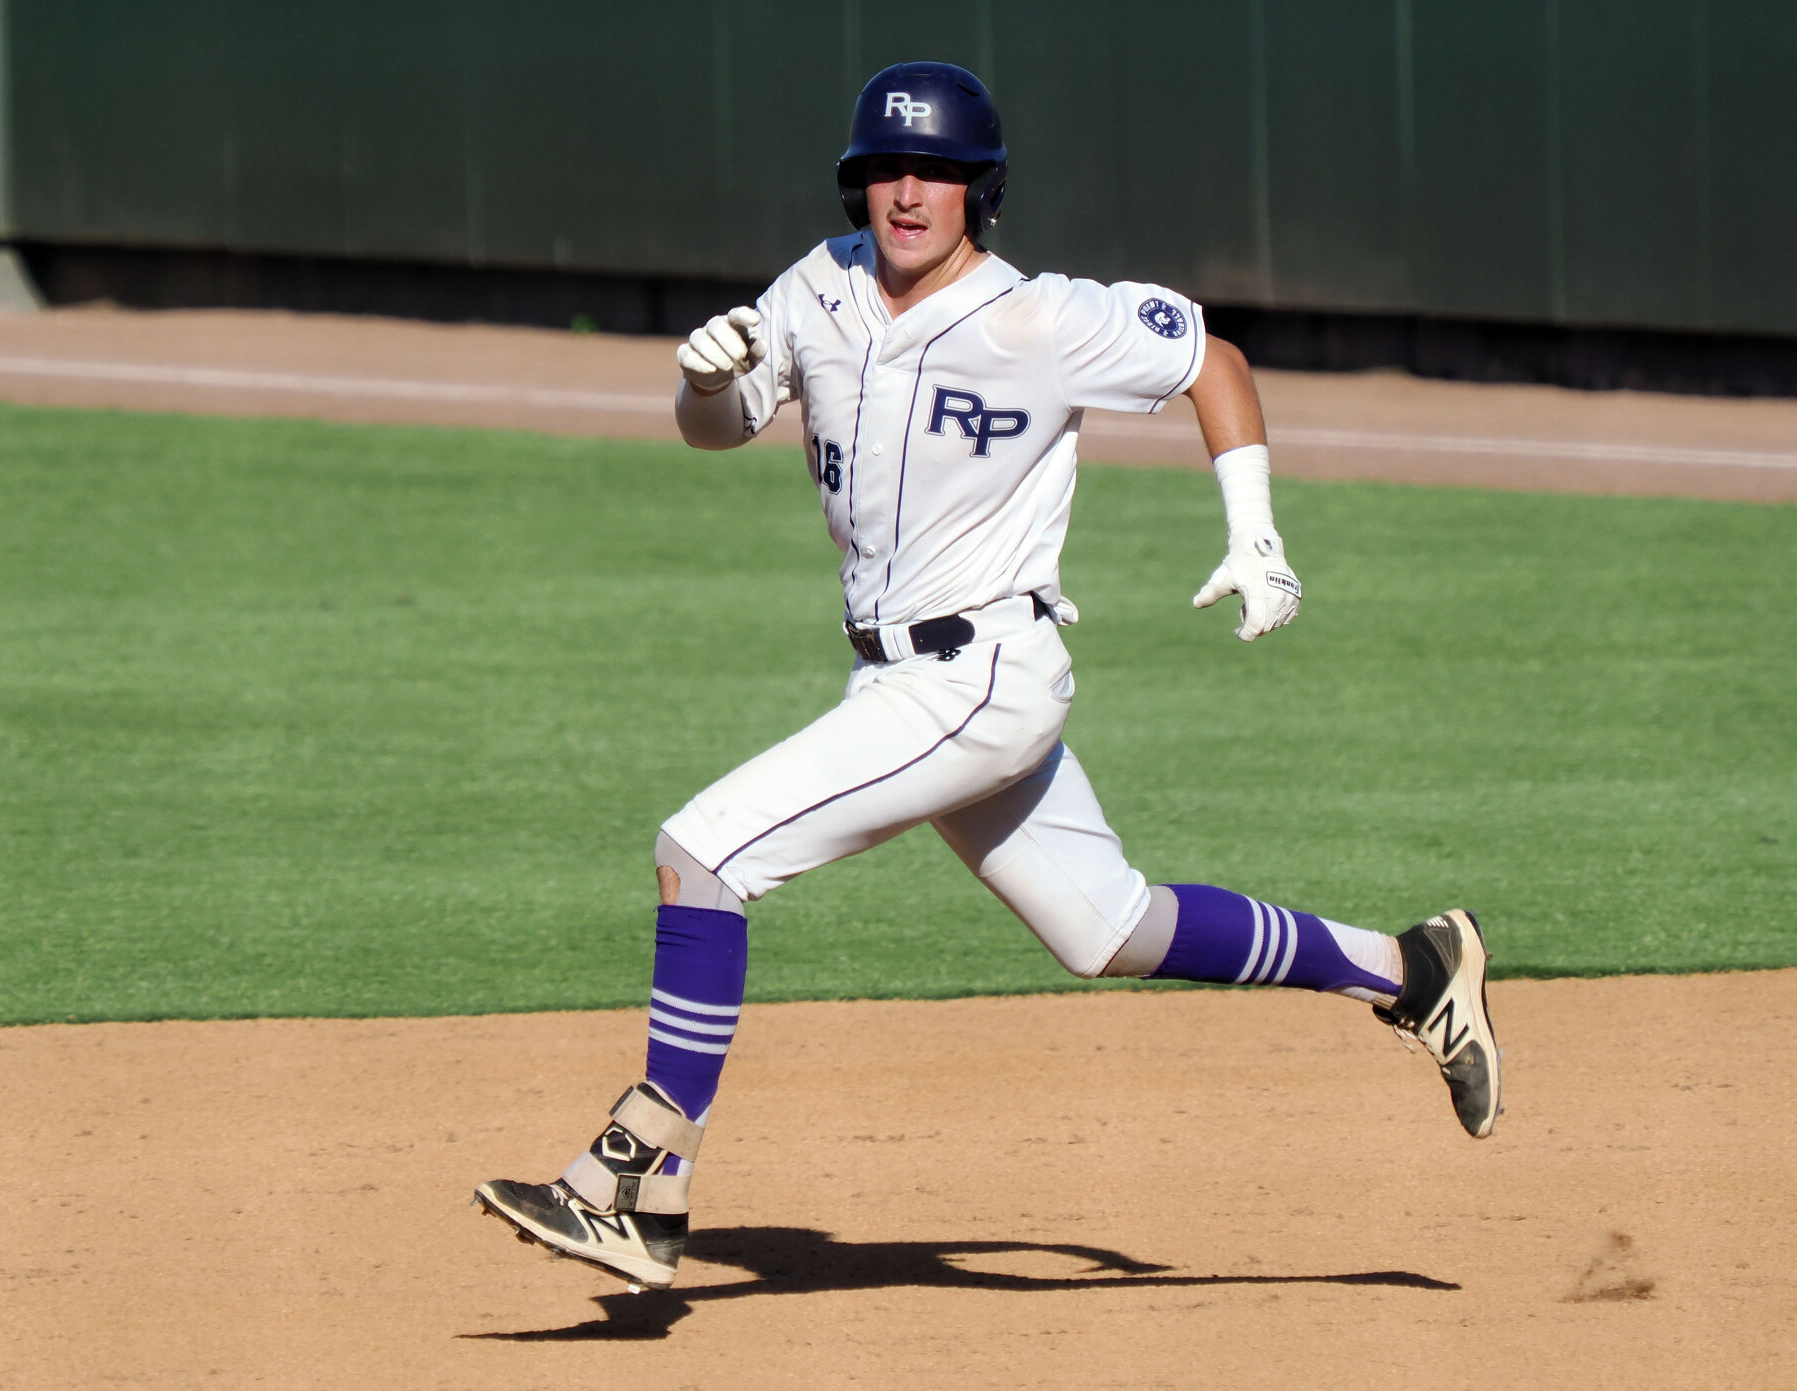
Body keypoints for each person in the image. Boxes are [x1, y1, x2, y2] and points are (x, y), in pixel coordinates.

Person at [473, 61, 1500, 1293]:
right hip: (903, 686)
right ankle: (1410, 968)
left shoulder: (1042, 319)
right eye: (888, 171)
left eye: (939, 173)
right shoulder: (818, 286)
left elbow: (1212, 362)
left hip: (981, 677)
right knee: (1104, 925)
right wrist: (700, 383)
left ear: (980, 191)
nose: (909, 192)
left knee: (703, 850)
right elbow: (721, 424)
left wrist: (1255, 531)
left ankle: (643, 1176)